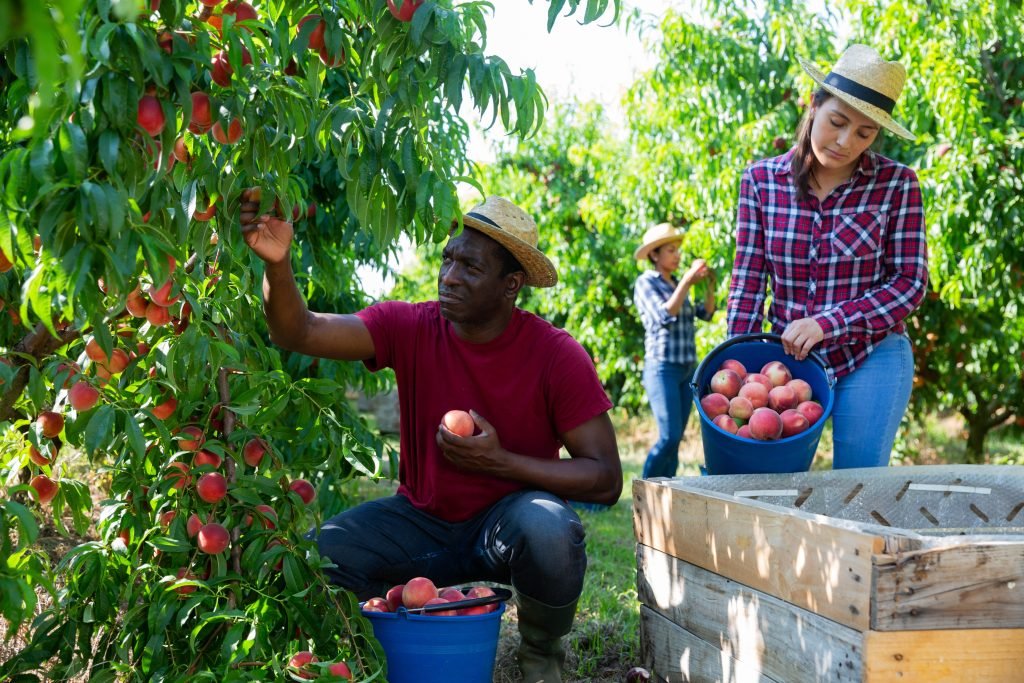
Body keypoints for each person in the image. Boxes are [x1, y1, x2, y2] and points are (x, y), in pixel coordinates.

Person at [240, 194, 622, 683]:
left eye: (471, 268)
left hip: (509, 525)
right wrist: (278, 266)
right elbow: (301, 333)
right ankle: (374, 649)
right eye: (449, 259)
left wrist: (501, 462)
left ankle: (541, 655)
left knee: (551, 529)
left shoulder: (556, 355)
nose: (449, 275)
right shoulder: (412, 325)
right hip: (421, 521)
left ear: (511, 286)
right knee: (319, 556)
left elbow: (606, 478)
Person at [727, 44, 928, 468]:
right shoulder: (761, 182)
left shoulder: (897, 185)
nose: (844, 141)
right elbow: (748, 283)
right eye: (837, 122)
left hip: (871, 353)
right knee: (765, 483)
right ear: (813, 104)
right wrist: (737, 366)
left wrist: (828, 323)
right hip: (788, 360)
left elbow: (909, 282)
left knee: (857, 487)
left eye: (864, 133)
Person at [633, 223, 716, 479]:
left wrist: (709, 285)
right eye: (671, 250)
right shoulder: (646, 282)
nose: (677, 255)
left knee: (676, 438)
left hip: (686, 368)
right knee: (668, 436)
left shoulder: (679, 282)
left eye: (677, 250)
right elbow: (664, 314)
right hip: (662, 368)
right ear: (655, 255)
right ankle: (645, 489)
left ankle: (666, 491)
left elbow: (707, 314)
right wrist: (689, 282)